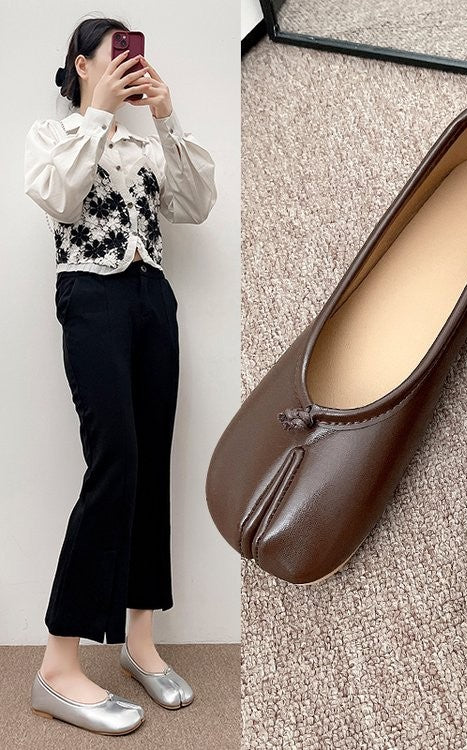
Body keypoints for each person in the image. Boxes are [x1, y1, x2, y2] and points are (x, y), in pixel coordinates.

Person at [24, 17, 217, 735]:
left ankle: (140, 641)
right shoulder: (54, 137)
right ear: (82, 64)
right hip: (91, 296)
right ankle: (57, 665)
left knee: (150, 464)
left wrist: (165, 116)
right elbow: (60, 198)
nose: (131, 62)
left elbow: (195, 205)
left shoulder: (144, 146)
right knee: (116, 462)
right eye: (116, 53)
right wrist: (98, 112)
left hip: (152, 299)